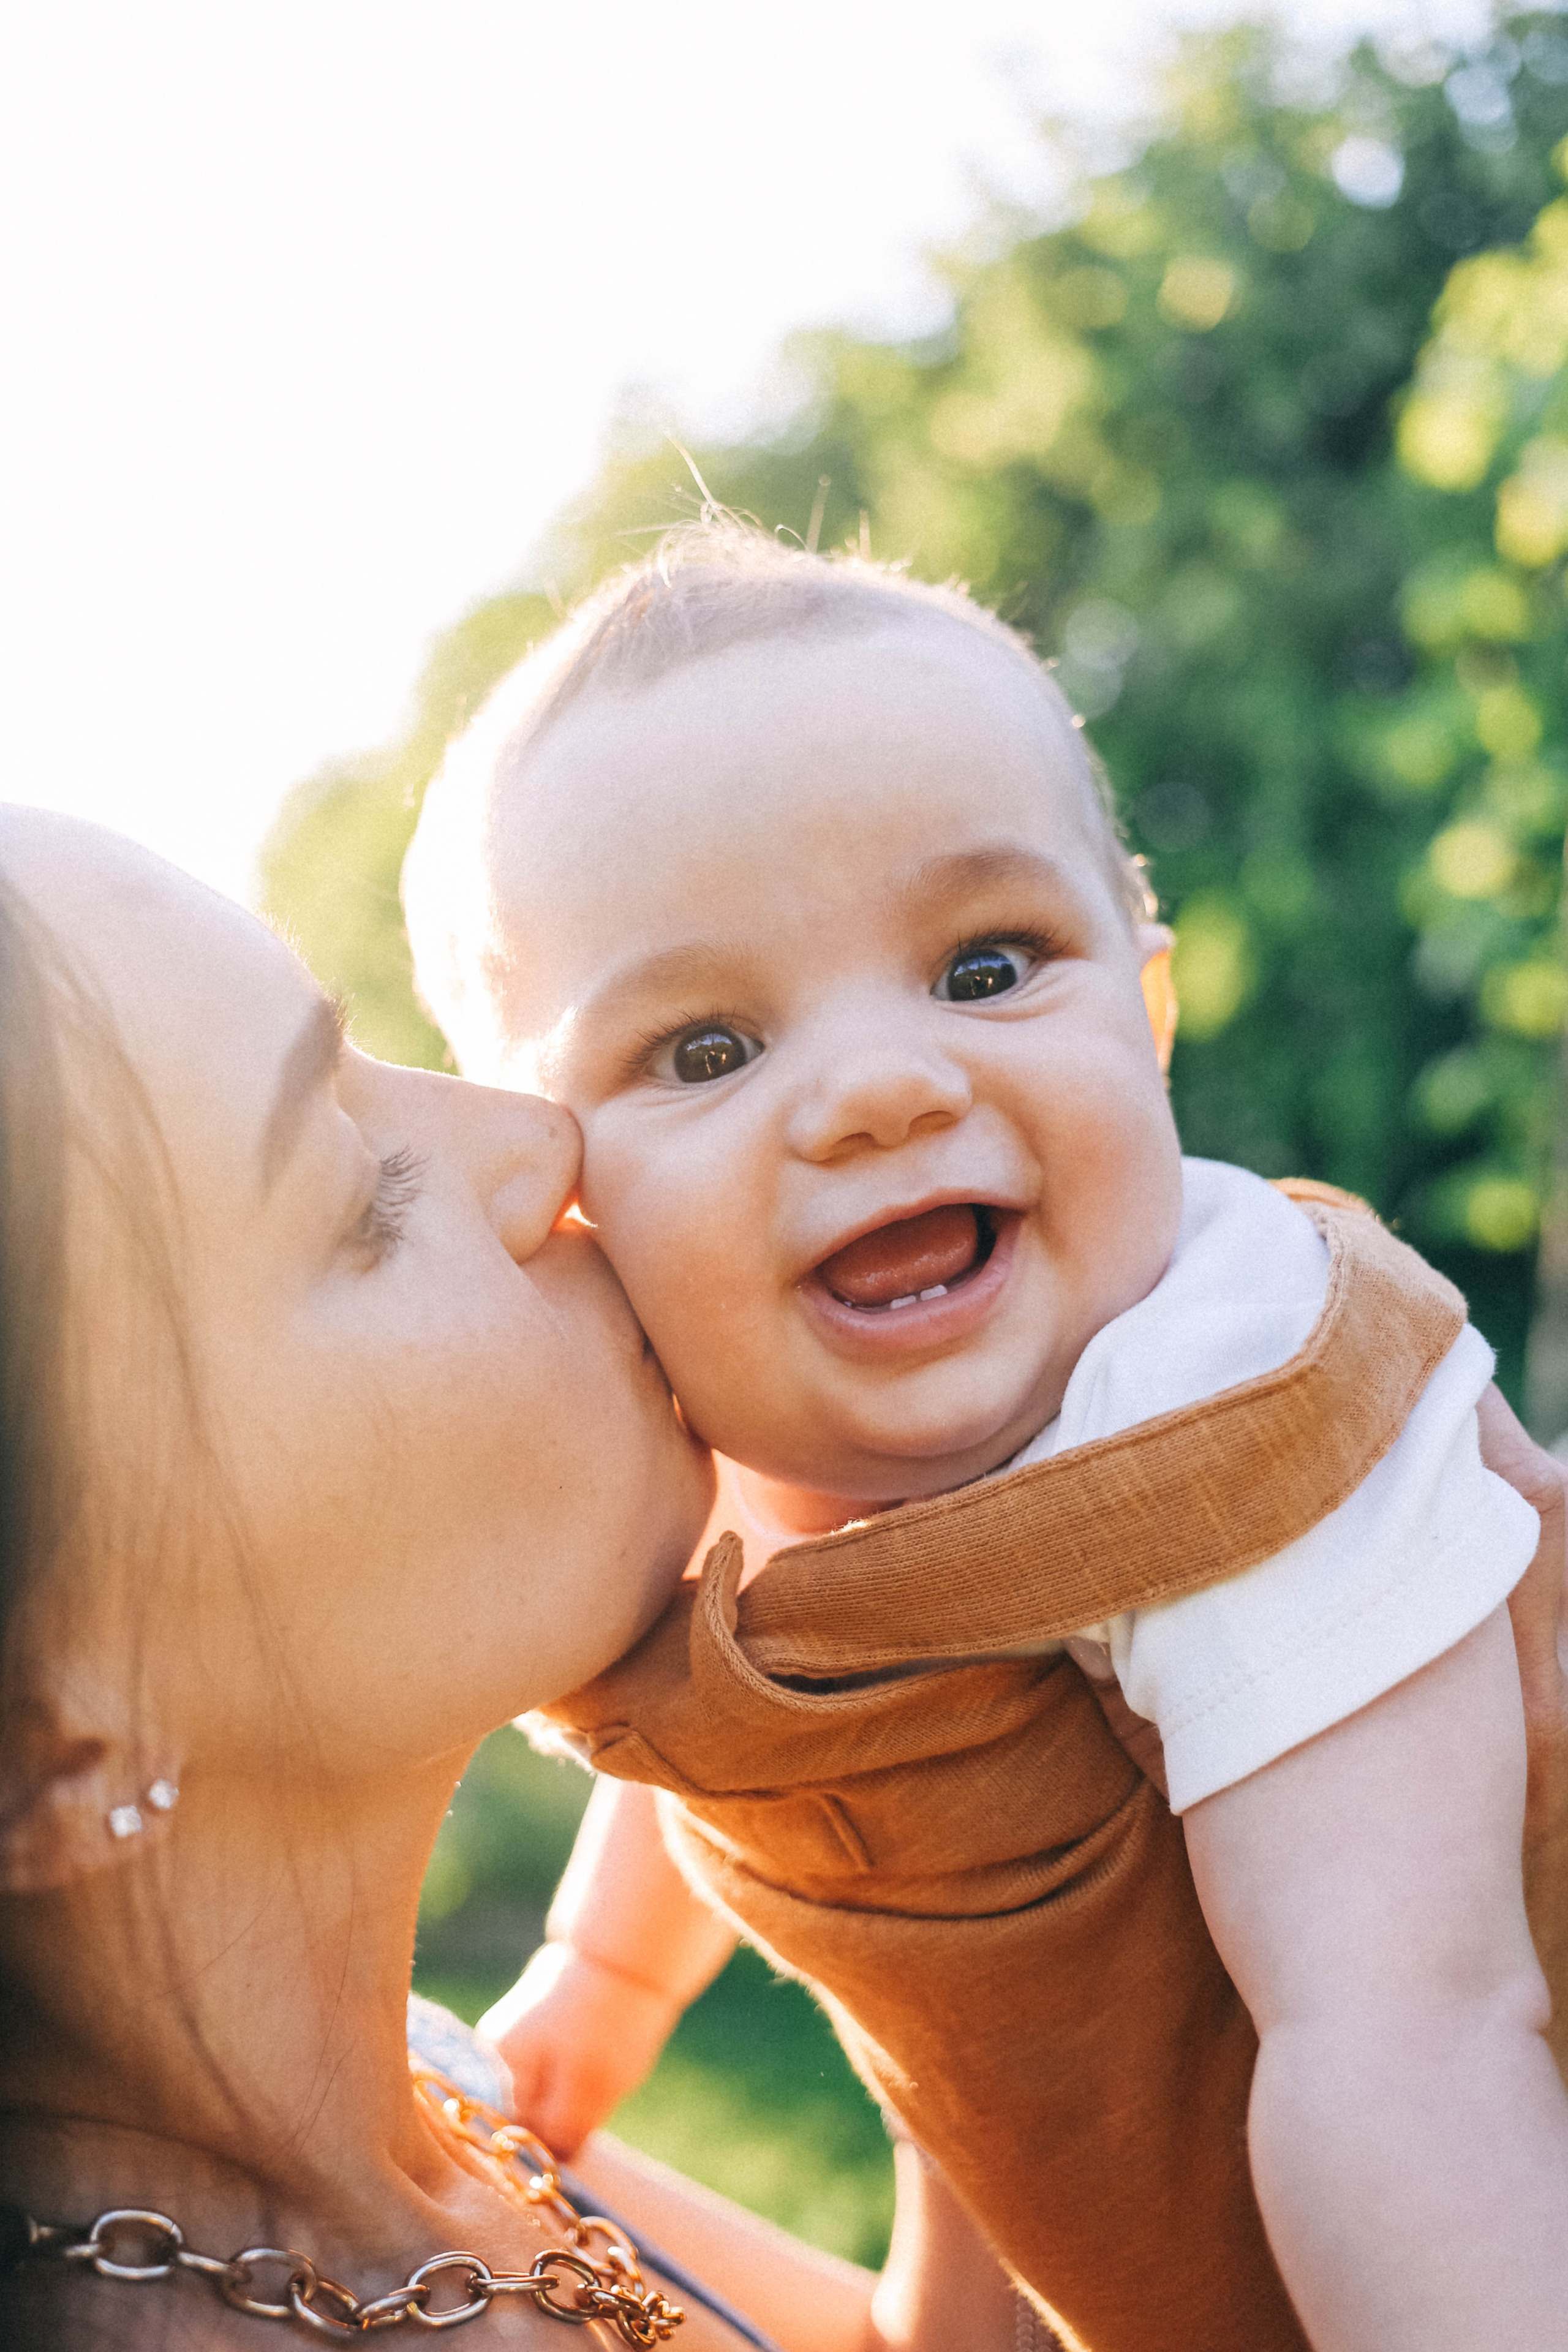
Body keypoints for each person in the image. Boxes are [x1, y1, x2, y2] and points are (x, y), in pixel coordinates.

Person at [402, 520, 1568, 2352]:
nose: (880, 1088)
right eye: (708, 1051)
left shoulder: (1225, 1403)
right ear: (565, 1205)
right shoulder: (748, 1458)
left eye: (985, 966)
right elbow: (750, 1685)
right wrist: (599, 1983)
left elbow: (1407, 2034)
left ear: (1152, 1011)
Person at [0, 806, 1041, 2350]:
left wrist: (990, 1902)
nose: (543, 1139)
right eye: (361, 1194)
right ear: (40, 1743)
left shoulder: (428, 2111)